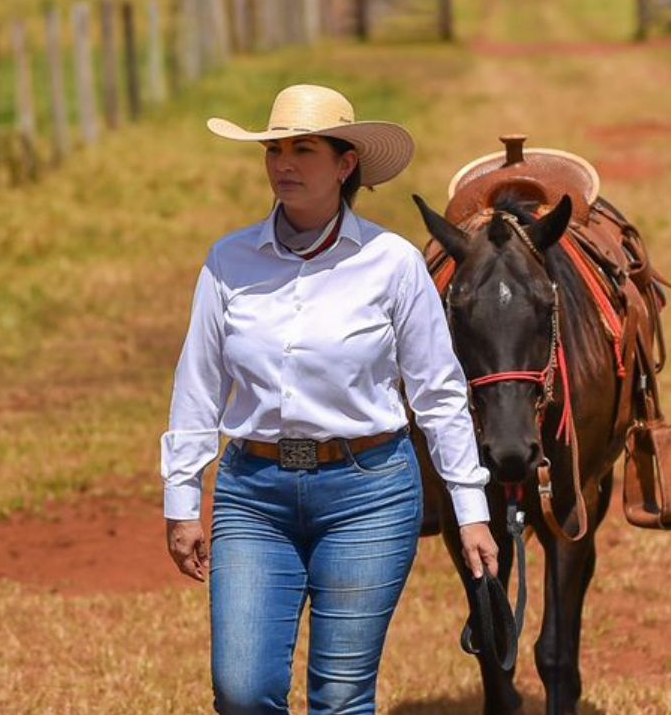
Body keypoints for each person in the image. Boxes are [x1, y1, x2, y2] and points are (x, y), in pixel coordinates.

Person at [161, 84, 497, 714]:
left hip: (368, 493)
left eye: (304, 149)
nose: (283, 163)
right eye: (274, 149)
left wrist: (469, 506)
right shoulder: (228, 261)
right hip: (253, 491)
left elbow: (440, 392)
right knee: (241, 692)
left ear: (345, 166)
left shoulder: (392, 263)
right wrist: (182, 499)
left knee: (340, 698)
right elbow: (198, 385)